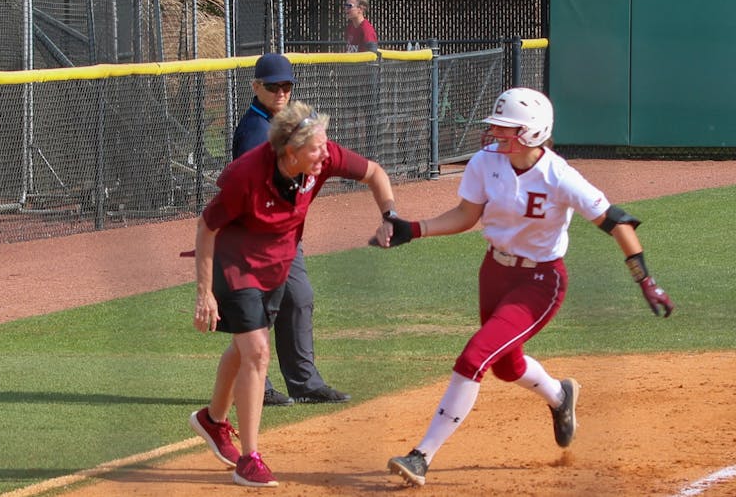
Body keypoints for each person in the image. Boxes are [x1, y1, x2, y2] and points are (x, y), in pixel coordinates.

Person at [375, 87, 674, 487]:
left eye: (508, 128)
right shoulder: (485, 163)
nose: (497, 133)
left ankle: (421, 455)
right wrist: (414, 229)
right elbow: (467, 214)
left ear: (533, 133)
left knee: (475, 356)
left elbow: (616, 222)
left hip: (540, 281)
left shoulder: (559, 175)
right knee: (506, 365)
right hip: (494, 272)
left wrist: (646, 281)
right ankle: (560, 396)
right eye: (497, 126)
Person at [188, 100, 399, 487]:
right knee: (257, 351)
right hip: (234, 263)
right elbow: (206, 227)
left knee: (243, 348)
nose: (326, 152)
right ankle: (250, 459)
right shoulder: (246, 176)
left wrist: (390, 217)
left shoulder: (320, 157)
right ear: (291, 151)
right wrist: (205, 293)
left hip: (277, 262)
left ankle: (213, 420)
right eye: (316, 147)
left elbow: (374, 172)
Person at [232, 52, 351, 406]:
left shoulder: (293, 121)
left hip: (284, 234)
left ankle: (305, 383)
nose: (281, 92)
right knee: (260, 310)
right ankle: (257, 385)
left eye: (286, 85)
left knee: (299, 298)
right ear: (256, 87)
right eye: (273, 86)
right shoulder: (254, 132)